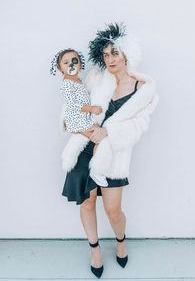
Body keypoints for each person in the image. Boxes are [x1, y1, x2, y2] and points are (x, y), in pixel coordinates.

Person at [61, 23, 159, 278]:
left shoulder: (144, 88)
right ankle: (94, 250)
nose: (110, 59)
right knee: (87, 203)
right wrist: (87, 131)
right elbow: (72, 108)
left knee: (113, 210)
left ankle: (121, 240)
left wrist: (109, 134)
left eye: (114, 53)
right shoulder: (96, 78)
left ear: (126, 53)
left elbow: (140, 125)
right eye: (105, 55)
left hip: (114, 151)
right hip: (85, 146)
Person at [50, 48, 109, 186]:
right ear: (60, 68)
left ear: (80, 63)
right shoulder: (66, 84)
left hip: (82, 118)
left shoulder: (78, 80)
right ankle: (97, 170)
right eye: (66, 62)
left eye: (74, 61)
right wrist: (92, 109)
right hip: (77, 120)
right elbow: (73, 104)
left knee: (101, 137)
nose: (71, 64)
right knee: (101, 139)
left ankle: (98, 168)